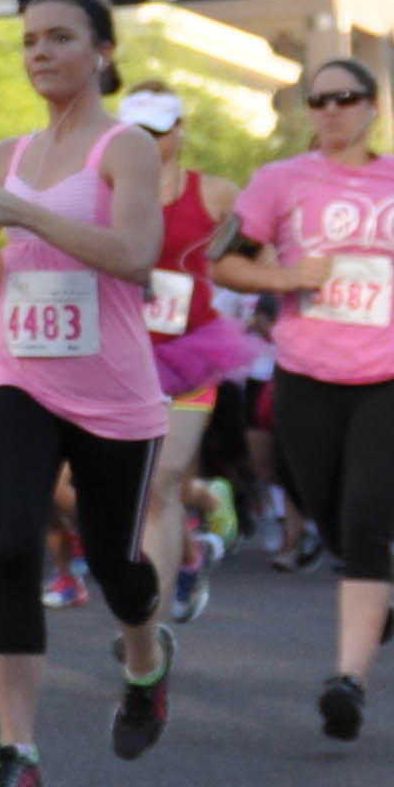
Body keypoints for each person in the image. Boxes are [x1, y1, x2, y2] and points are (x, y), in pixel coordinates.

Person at [0, 0, 176, 787]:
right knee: (10, 548)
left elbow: (138, 255)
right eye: (30, 40)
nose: (40, 52)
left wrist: (17, 210)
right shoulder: (4, 153)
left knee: (113, 559)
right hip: (19, 370)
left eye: (60, 38)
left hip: (111, 389)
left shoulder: (127, 149)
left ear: (102, 52)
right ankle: (19, 753)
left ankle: (146, 661)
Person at [220, 56, 394, 740]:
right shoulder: (278, 181)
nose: (330, 110)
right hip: (306, 372)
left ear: (372, 105)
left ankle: (348, 680)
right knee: (327, 512)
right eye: (318, 99)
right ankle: (375, 586)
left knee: (367, 519)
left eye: (345, 97)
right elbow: (225, 260)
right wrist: (288, 273)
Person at [117, 90, 249, 629]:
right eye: (136, 134)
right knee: (126, 492)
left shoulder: (216, 194)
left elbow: (256, 253)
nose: (147, 144)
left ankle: (151, 625)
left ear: (179, 132)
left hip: (189, 350)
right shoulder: (104, 193)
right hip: (118, 353)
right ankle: (192, 549)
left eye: (157, 132)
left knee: (161, 484)